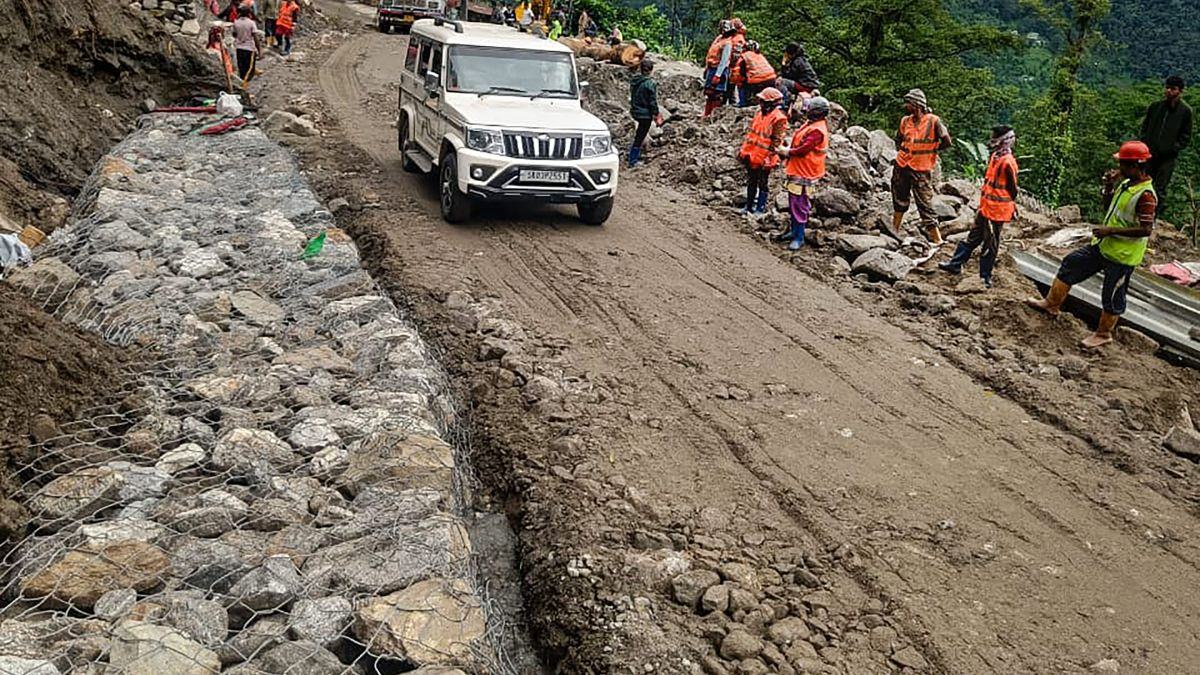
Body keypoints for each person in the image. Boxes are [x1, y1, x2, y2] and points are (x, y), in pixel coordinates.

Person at [1026, 141, 1158, 349]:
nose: (1119, 167)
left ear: (1135, 166)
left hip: (1122, 256)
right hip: (1104, 245)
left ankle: (1103, 334)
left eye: (1123, 164)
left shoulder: (1146, 196)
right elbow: (1109, 207)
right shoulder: (1126, 185)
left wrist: (1110, 230)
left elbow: (1146, 230)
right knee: (1071, 263)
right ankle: (1051, 304)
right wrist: (1109, 186)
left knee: (1112, 295)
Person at [938, 126, 1019, 287]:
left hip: (996, 211)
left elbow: (1013, 189)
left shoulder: (1007, 162)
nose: (992, 142)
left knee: (990, 244)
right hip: (986, 207)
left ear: (1003, 141)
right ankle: (955, 264)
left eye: (995, 139)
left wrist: (1011, 205)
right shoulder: (996, 156)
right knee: (973, 237)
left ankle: (985, 276)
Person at [889, 88, 951, 244]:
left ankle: (937, 239)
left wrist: (933, 149)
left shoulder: (933, 121)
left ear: (917, 105)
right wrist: (902, 152)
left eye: (908, 103)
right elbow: (898, 139)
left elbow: (946, 140)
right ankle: (894, 230)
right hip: (902, 164)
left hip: (921, 168)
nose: (906, 106)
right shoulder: (905, 121)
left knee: (924, 202)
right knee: (899, 198)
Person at [776, 96, 829, 250]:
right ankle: (794, 231)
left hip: (806, 172)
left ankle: (799, 237)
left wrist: (786, 151)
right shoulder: (812, 124)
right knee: (794, 202)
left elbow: (803, 150)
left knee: (800, 204)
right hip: (799, 169)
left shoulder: (817, 130)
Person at [1139, 75, 1193, 212]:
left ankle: (1154, 216)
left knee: (1160, 188)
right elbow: (1145, 127)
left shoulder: (1185, 112)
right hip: (1149, 154)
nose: (1169, 91)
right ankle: (1140, 213)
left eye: (1173, 88)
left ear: (1180, 91)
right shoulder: (1155, 107)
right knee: (1143, 184)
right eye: (1167, 87)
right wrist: (1145, 143)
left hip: (1167, 158)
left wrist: (1173, 148)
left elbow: (1186, 135)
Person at [736, 87, 789, 215]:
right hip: (751, 153)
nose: (760, 102)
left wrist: (769, 157)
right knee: (751, 180)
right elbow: (752, 134)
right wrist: (743, 150)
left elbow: (776, 140)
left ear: (771, 103)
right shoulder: (759, 114)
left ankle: (760, 208)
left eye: (763, 101)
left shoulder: (779, 118)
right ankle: (749, 206)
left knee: (763, 183)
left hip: (764, 156)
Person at [628, 59, 663, 168]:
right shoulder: (649, 84)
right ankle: (633, 160)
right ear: (651, 70)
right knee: (640, 136)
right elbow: (652, 102)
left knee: (639, 134)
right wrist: (656, 114)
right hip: (645, 114)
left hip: (635, 111)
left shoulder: (635, 80)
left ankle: (635, 155)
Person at [702, 20, 737, 118]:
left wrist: (718, 75)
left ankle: (714, 115)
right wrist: (706, 68)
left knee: (717, 94)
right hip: (711, 68)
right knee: (709, 93)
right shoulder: (718, 39)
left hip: (719, 70)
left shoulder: (727, 43)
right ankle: (706, 113)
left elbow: (724, 61)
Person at [736, 41, 777, 107]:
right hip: (771, 78)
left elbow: (741, 72)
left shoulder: (744, 56)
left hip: (758, 80)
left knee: (742, 84)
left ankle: (743, 103)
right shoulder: (760, 56)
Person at [232, 8, 262, 86]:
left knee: (241, 68)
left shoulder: (236, 22)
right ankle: (244, 84)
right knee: (249, 69)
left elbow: (234, 34)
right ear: (249, 14)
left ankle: (242, 82)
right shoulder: (251, 23)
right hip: (249, 48)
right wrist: (260, 51)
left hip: (239, 48)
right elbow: (255, 38)